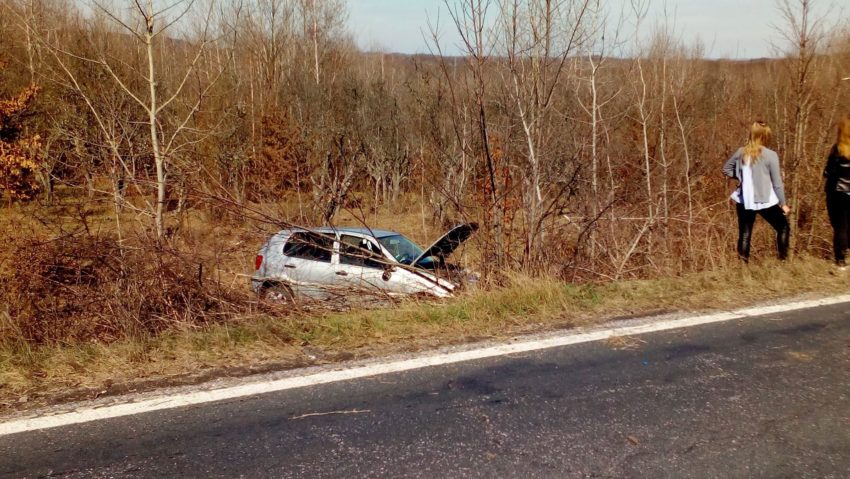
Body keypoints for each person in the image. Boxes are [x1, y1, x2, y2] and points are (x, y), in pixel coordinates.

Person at [723, 120, 791, 262]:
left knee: (745, 234)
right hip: (764, 200)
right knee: (783, 227)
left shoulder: (741, 152)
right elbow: (777, 183)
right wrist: (783, 203)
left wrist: (739, 176)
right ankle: (783, 262)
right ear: (765, 136)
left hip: (744, 200)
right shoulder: (770, 155)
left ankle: (743, 269)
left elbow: (726, 169)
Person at [823, 115, 850, 269]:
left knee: (840, 226)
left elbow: (828, 172)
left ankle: (840, 261)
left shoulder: (837, 149)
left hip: (838, 193)